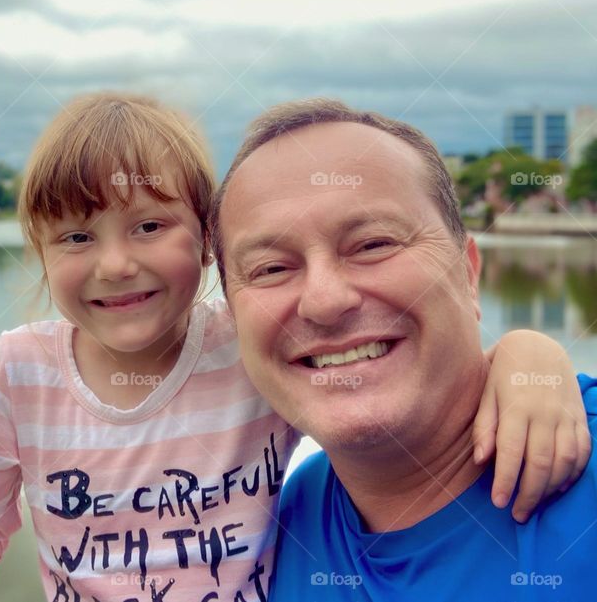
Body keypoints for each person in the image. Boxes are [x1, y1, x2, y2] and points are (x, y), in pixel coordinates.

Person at [0, 93, 589, 602]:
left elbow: (405, 360)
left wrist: (530, 356)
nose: (115, 264)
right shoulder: (22, 371)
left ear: (203, 246)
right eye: (77, 237)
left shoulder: (237, 348)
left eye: (374, 243)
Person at [208, 98, 595, 600]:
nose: (325, 301)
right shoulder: (267, 527)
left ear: (468, 274)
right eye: (271, 269)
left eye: (373, 244)